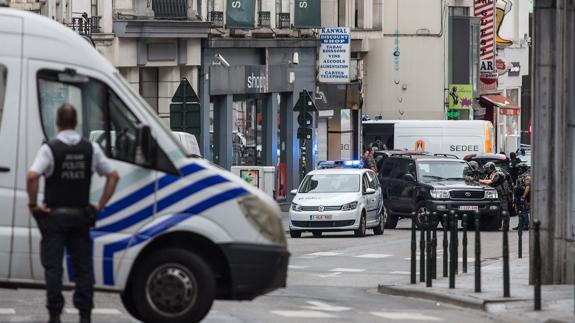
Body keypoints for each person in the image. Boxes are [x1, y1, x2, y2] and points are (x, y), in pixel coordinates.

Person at [27, 104, 120, 323]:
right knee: (83, 269)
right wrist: (99, 205)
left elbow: (32, 176)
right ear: (76, 122)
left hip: (54, 216)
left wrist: (34, 205)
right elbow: (113, 175)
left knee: (53, 269)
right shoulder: (91, 149)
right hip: (81, 216)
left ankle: (55, 315)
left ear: (58, 122)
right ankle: (85, 315)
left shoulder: (50, 148)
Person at [513, 165, 531, 230]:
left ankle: (526, 225)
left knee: (524, 211)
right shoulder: (521, 176)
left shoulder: (527, 177)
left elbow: (527, 187)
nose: (519, 170)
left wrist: (523, 196)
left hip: (523, 196)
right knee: (520, 211)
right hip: (518, 196)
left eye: (520, 169)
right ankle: (520, 225)